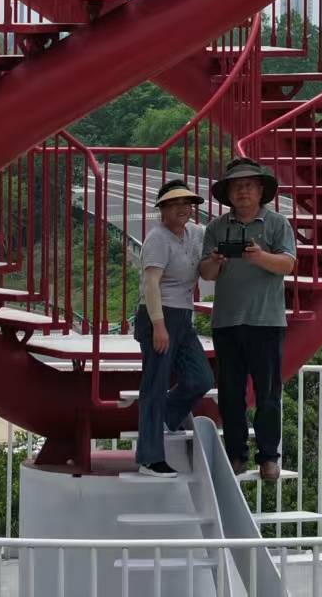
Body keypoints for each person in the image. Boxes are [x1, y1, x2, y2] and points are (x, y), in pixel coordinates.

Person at [198, 157, 297, 481]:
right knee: (230, 393)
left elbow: (288, 264)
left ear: (260, 191)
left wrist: (259, 256)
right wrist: (216, 260)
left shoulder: (277, 224)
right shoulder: (216, 227)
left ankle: (268, 457)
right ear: (228, 193)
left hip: (266, 321)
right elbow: (206, 273)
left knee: (268, 394)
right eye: (237, 187)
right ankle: (235, 454)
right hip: (227, 321)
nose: (242, 192)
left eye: (248, 186)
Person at [131, 179, 214, 477]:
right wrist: (158, 325)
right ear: (162, 209)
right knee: (155, 384)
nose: (183, 209)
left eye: (187, 203)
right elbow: (151, 283)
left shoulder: (196, 234)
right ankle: (149, 458)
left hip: (183, 316)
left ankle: (165, 414)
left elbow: (208, 268)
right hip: (158, 314)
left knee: (201, 378)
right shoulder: (157, 238)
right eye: (175, 204)